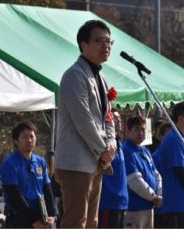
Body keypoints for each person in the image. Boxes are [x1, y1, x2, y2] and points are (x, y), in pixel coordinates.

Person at [55, 19, 117, 229]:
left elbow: (108, 118)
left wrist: (112, 145)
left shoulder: (102, 78)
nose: (106, 46)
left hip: (96, 162)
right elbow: (84, 121)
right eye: (100, 41)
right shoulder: (74, 75)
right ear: (83, 44)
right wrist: (103, 150)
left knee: (92, 223)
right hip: (76, 163)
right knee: (76, 223)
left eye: (109, 42)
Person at [0, 121, 56, 228]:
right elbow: (14, 196)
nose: (29, 140)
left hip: (40, 216)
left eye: (31, 136)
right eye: (24, 137)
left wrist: (52, 214)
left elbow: (47, 189)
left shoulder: (40, 162)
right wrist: (33, 220)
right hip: (19, 220)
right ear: (16, 141)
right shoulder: (9, 163)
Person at [122, 115, 163, 229]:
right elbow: (134, 181)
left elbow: (156, 174)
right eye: (137, 130)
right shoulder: (126, 151)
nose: (141, 133)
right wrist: (153, 197)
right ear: (128, 131)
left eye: (143, 129)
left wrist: (159, 194)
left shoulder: (145, 150)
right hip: (135, 209)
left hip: (149, 207)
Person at [98, 109, 128, 228]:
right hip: (107, 202)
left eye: (119, 118)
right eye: (115, 118)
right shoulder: (104, 145)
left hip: (121, 203)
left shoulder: (119, 144)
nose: (119, 120)